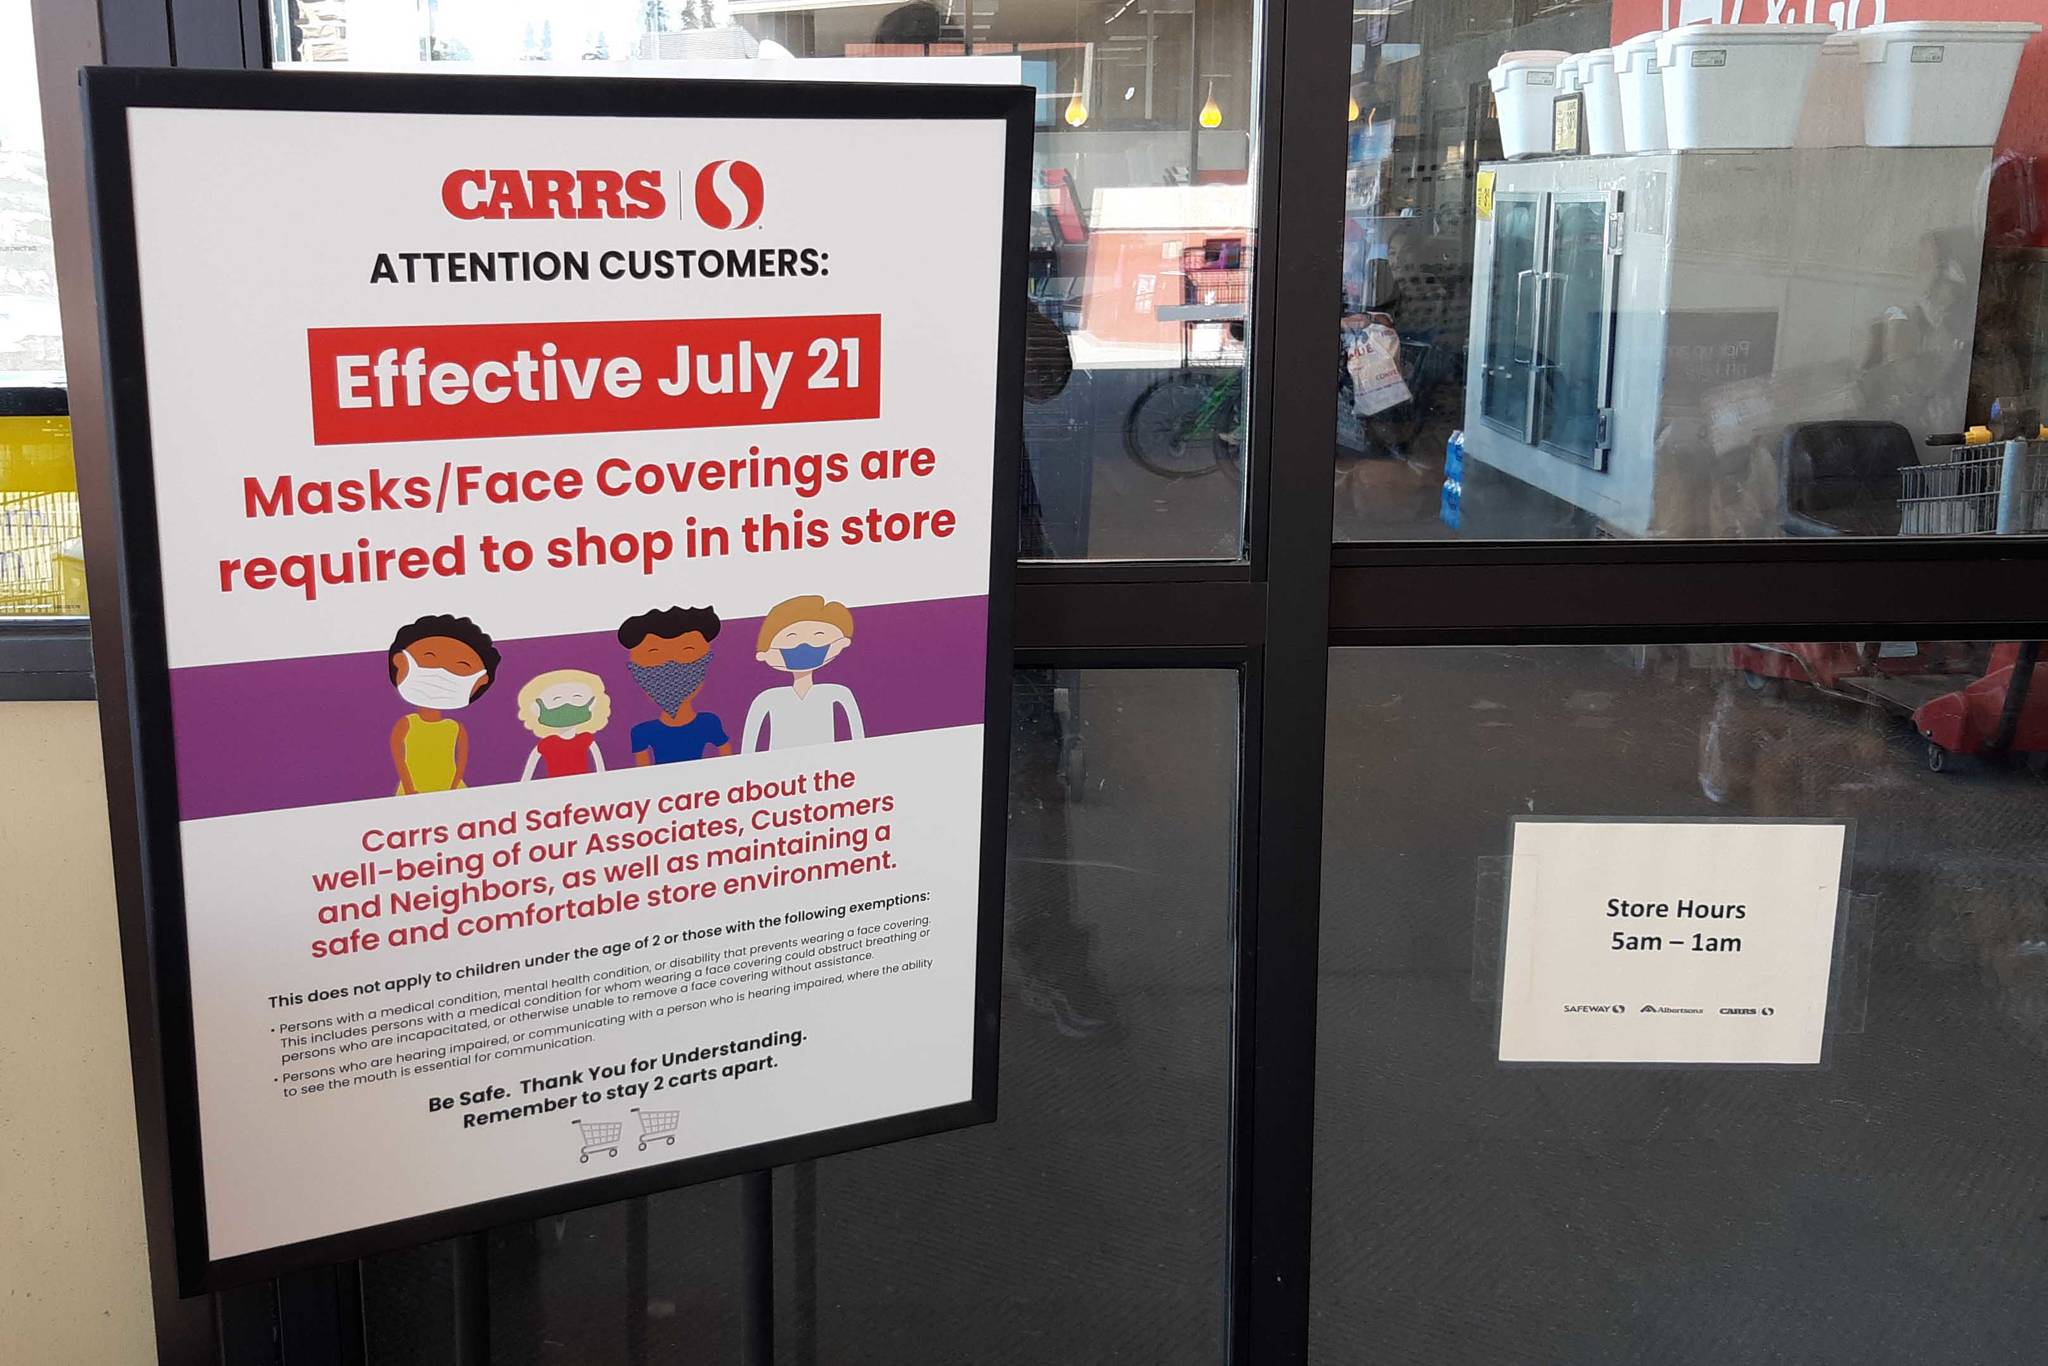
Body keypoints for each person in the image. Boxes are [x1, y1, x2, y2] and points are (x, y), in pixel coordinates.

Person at [387, 614, 499, 795]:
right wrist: (408, 787)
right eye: (429, 657)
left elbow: (461, 762)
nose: (442, 671)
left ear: (480, 681)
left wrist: (454, 787)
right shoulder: (407, 724)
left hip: (453, 791)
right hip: (412, 791)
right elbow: (398, 758)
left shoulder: (455, 728)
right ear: (400, 661)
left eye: (462, 666)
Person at [741, 595, 864, 752]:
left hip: (831, 767)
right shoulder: (767, 698)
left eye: (818, 635)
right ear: (765, 654)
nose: (803, 645)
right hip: (777, 770)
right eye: (791, 637)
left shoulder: (837, 693)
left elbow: (858, 735)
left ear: (841, 643)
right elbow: (748, 747)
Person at [619, 605, 732, 764]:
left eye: (687, 652)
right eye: (654, 654)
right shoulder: (642, 732)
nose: (671, 667)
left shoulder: (709, 723)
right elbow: (643, 774)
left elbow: (727, 760)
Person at [514, 669, 612, 780]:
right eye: (556, 699)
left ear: (592, 703)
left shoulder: (586, 740)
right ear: (536, 708)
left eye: (577, 697)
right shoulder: (545, 745)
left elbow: (601, 771)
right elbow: (526, 778)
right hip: (556, 792)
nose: (566, 705)